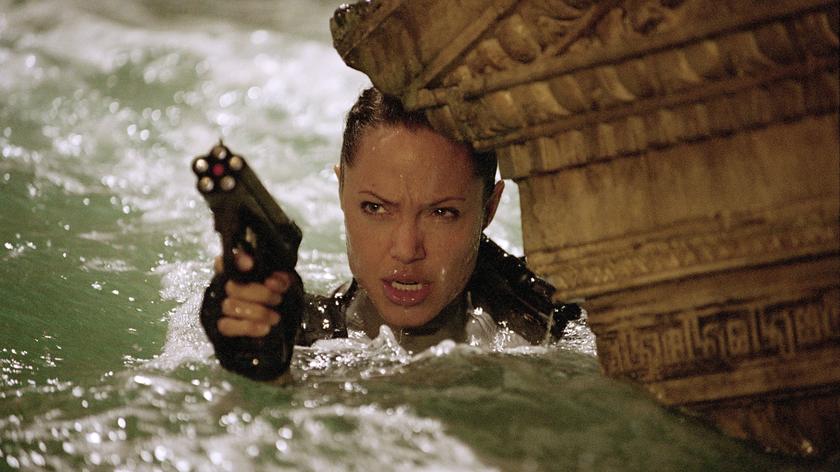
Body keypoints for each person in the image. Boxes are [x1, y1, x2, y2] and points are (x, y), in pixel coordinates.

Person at [208, 87, 571, 370]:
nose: (406, 249)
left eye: (442, 212)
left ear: (489, 208)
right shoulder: (303, 333)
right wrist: (259, 364)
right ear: (341, 191)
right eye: (376, 208)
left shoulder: (559, 321)